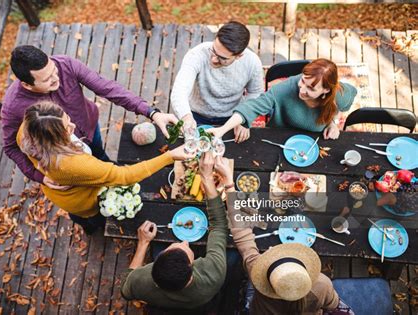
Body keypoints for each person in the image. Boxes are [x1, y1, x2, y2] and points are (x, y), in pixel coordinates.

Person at [2, 45, 178, 191]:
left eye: (54, 71)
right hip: (65, 156)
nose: (57, 79)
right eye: (48, 80)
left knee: (102, 158)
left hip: (90, 129)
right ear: (26, 84)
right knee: (86, 188)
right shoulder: (13, 106)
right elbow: (10, 146)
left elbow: (108, 88)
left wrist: (152, 112)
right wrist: (39, 176)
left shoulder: (65, 64)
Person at [16, 101, 194, 234]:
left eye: (68, 119)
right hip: (81, 200)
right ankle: (92, 228)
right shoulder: (71, 164)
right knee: (93, 220)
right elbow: (123, 176)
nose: (73, 126)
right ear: (52, 140)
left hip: (56, 187)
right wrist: (169, 156)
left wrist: (39, 176)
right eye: (66, 128)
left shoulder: (29, 129)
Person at [120, 152, 235, 310]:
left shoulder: (141, 282)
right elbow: (220, 225)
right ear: (192, 271)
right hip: (203, 299)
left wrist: (143, 243)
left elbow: (125, 287)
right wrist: (207, 179)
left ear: (153, 267)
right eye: (187, 248)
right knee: (233, 257)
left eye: (174, 247)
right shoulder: (213, 274)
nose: (185, 242)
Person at [227, 203, 354, 315]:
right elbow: (333, 305)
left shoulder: (255, 270)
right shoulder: (322, 284)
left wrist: (229, 187)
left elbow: (243, 239)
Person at [210, 58, 357, 142]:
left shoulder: (341, 95)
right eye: (303, 81)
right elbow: (252, 107)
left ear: (326, 90)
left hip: (315, 141)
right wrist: (222, 130)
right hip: (280, 136)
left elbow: (342, 105)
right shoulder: (285, 88)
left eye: (311, 89)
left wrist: (332, 123)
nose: (302, 90)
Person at [170, 21, 264, 142]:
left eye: (222, 58)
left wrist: (244, 116)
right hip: (196, 115)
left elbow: (255, 93)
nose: (213, 59)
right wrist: (186, 117)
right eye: (213, 50)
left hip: (233, 117)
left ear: (239, 56)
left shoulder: (252, 62)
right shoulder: (196, 54)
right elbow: (179, 90)